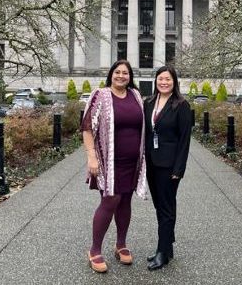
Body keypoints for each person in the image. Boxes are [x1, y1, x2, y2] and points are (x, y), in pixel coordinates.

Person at [81, 60, 146, 273]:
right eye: (117, 72)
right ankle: (94, 249)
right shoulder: (100, 95)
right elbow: (87, 127)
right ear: (111, 75)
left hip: (132, 162)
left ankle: (121, 244)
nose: (121, 76)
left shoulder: (136, 96)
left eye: (125, 73)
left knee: (125, 200)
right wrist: (91, 157)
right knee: (110, 200)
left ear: (130, 77)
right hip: (109, 161)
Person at [144, 65, 192, 270]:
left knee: (166, 208)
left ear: (174, 82)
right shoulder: (149, 102)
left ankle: (162, 252)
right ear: (156, 81)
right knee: (160, 206)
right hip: (152, 163)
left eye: (168, 79)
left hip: (169, 166)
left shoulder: (181, 105)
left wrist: (178, 169)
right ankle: (167, 247)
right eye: (160, 79)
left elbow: (184, 140)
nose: (163, 82)